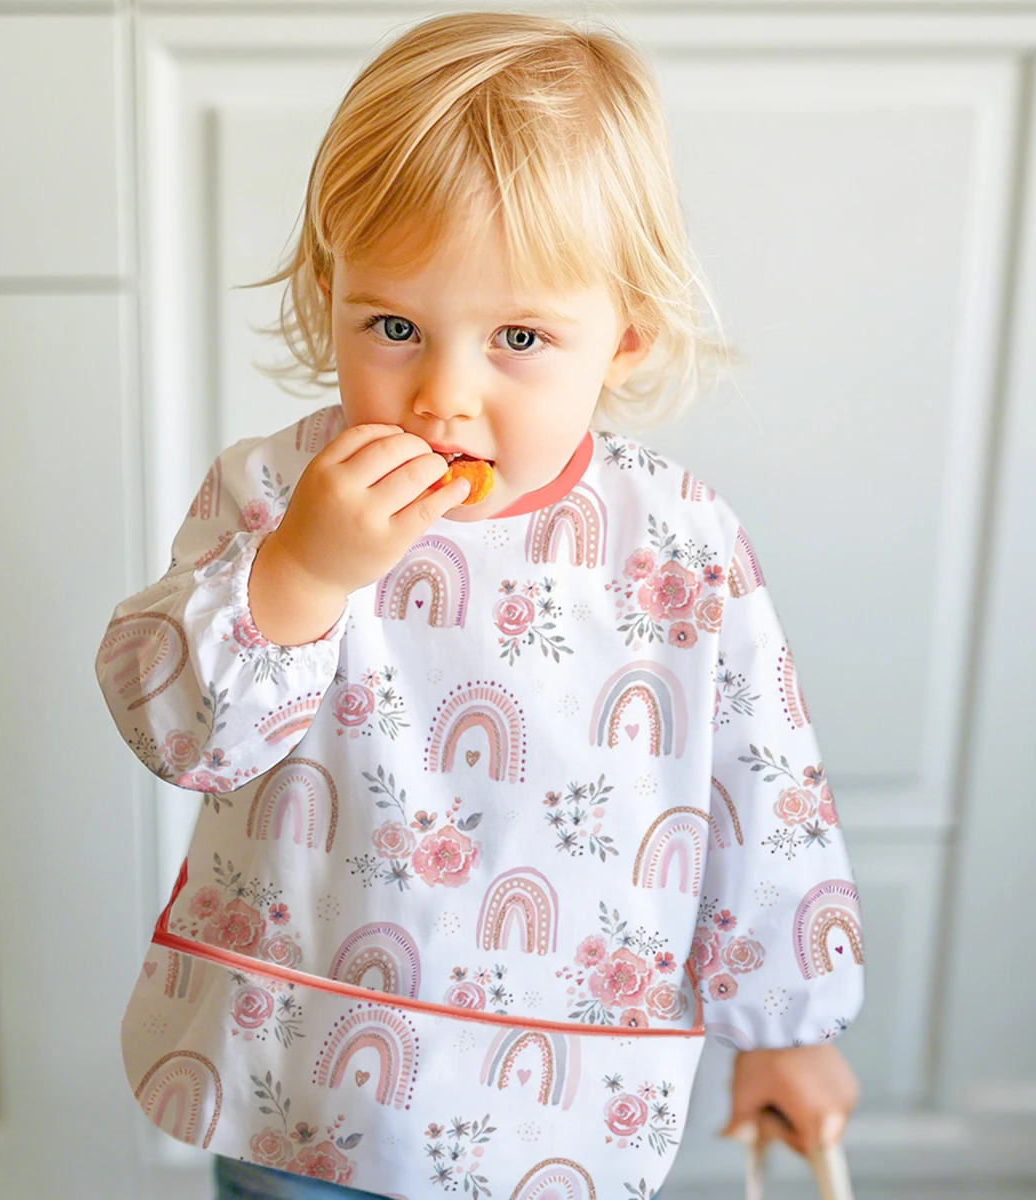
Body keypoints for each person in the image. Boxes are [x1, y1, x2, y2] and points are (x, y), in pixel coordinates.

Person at [94, 12, 864, 1199]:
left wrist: (787, 1027)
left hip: (553, 1108)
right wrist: (302, 575)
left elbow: (760, 787)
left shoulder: (680, 541)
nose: (443, 397)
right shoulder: (273, 495)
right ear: (328, 291)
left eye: (519, 337)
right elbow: (182, 736)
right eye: (394, 327)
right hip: (296, 1081)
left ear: (624, 336)